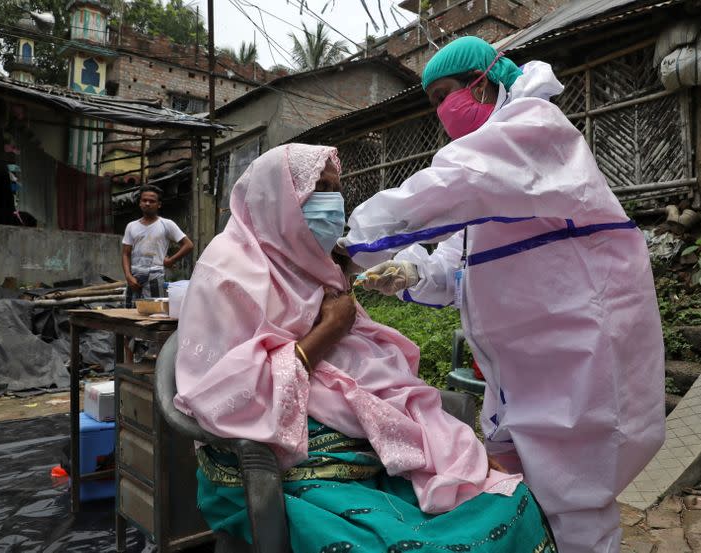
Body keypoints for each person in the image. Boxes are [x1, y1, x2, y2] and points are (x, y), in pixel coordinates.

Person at [338, 36, 665, 553]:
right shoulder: (497, 177)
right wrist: (407, 272)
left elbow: (450, 182)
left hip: (576, 361)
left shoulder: (534, 131)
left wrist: (348, 240)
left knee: (576, 503)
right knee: (519, 492)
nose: (443, 111)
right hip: (518, 375)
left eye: (445, 93)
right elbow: (457, 265)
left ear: (484, 80)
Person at [173, 144, 557, 553]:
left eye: (335, 188)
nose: (330, 202)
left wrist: (453, 445)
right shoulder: (227, 271)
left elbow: (377, 373)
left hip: (370, 450)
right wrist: (329, 330)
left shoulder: (316, 269)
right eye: (316, 187)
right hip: (281, 466)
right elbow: (224, 396)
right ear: (276, 197)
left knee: (508, 500)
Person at [121, 184, 194, 308]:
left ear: (159, 204)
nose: (147, 203)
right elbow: (125, 253)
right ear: (140, 203)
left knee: (153, 312)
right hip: (134, 275)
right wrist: (128, 276)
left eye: (152, 201)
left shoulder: (166, 224)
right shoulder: (131, 226)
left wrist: (171, 260)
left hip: (155, 276)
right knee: (131, 312)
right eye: (144, 200)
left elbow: (188, 245)